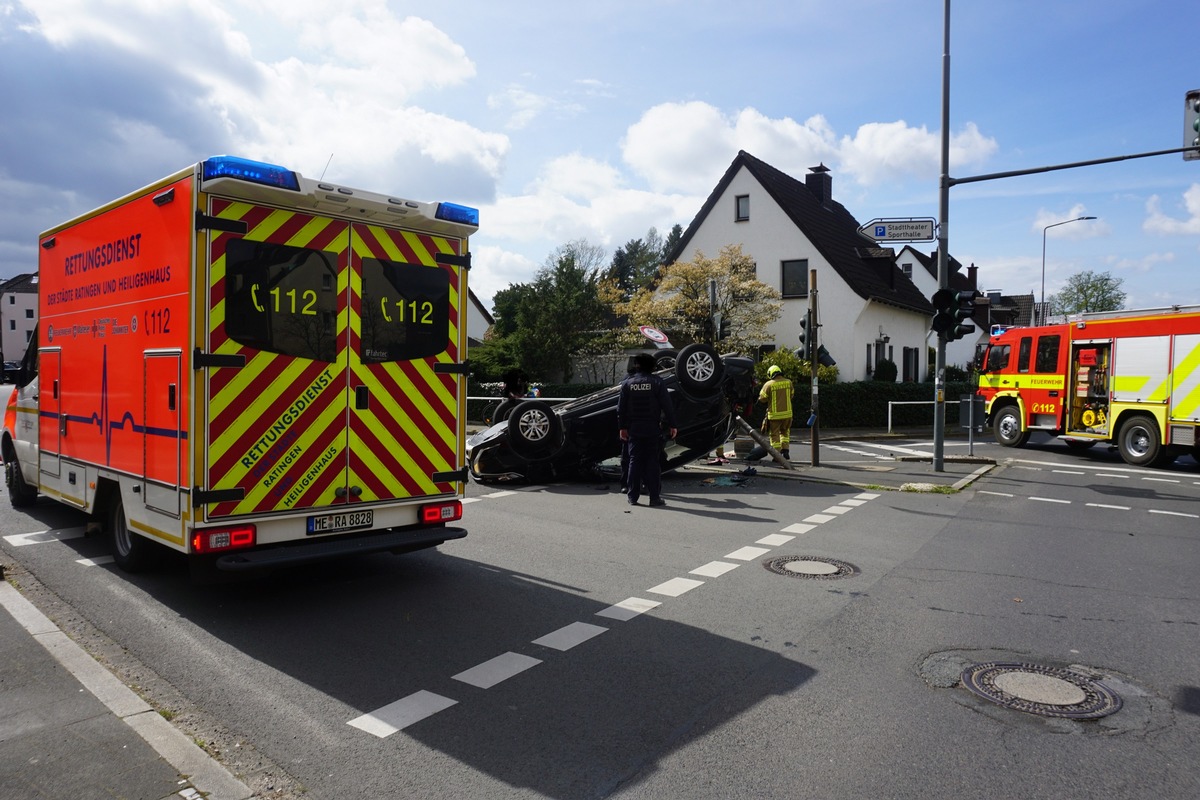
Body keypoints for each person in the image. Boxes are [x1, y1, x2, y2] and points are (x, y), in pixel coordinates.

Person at [618, 353, 678, 507]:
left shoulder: (628, 383)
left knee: (634, 461)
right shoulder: (657, 382)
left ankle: (633, 497)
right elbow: (667, 406)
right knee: (652, 462)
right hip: (652, 427)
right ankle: (654, 498)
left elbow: (621, 409)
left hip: (634, 428)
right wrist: (672, 425)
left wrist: (622, 428)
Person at [758, 364, 793, 460]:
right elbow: (792, 395)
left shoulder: (769, 384)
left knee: (774, 435)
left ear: (771, 374)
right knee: (785, 433)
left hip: (775, 415)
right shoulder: (788, 382)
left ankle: (776, 456)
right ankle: (785, 451)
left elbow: (762, 398)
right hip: (788, 414)